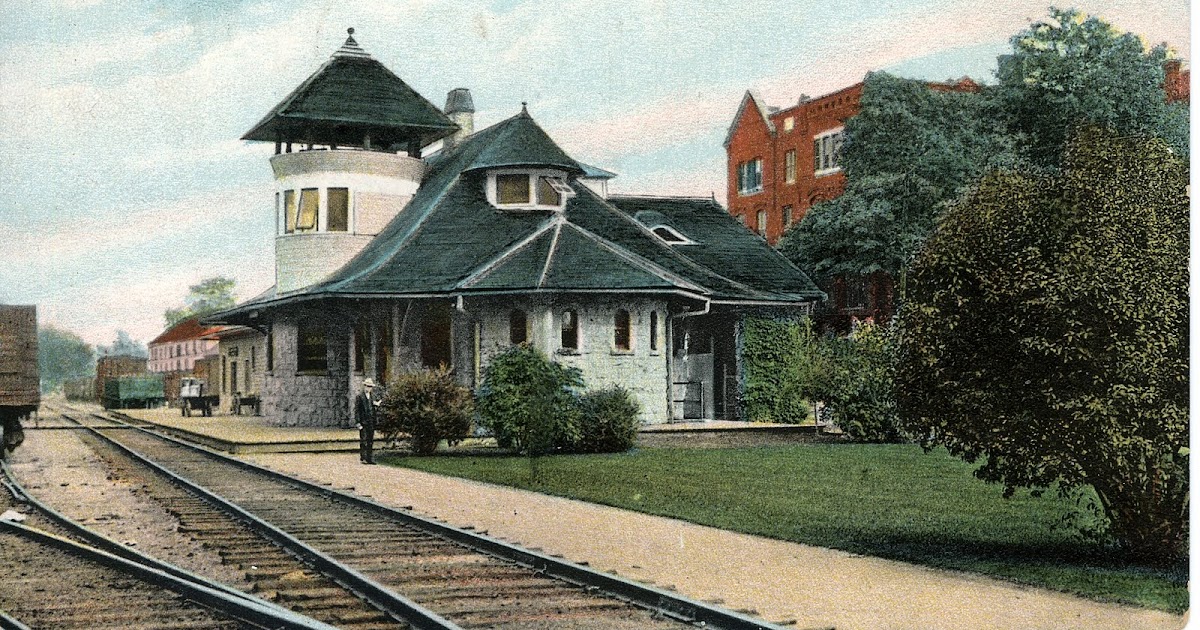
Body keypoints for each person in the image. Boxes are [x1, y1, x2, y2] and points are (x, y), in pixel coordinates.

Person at [355, 379, 379, 464]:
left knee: (370, 440)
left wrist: (376, 405)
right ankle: (363, 457)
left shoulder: (372, 396)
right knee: (363, 440)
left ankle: (369, 458)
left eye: (370, 387)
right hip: (363, 421)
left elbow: (373, 408)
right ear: (364, 386)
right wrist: (358, 422)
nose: (368, 388)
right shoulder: (360, 396)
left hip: (371, 421)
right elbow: (357, 410)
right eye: (367, 386)